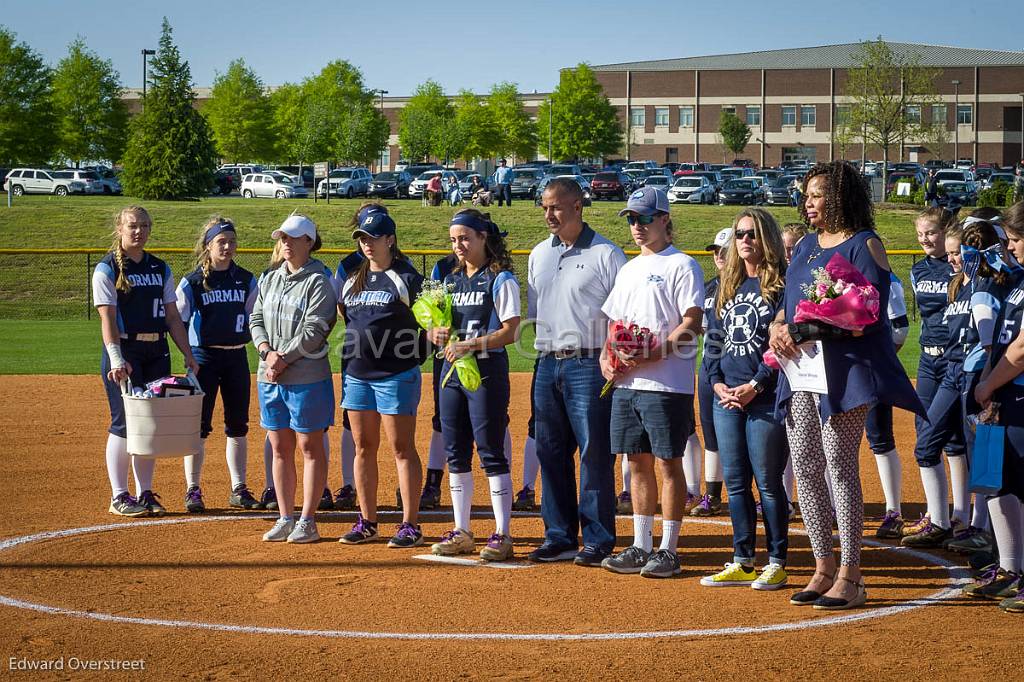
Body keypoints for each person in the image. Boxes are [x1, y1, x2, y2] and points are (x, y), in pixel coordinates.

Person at [769, 161, 923, 610]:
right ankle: (821, 566)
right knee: (806, 465)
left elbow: (866, 315)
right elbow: (789, 303)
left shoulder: (865, 244)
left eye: (817, 194)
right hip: (801, 374)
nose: (808, 202)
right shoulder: (804, 248)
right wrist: (782, 325)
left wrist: (809, 330)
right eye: (807, 194)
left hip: (847, 373)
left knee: (838, 463)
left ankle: (852, 574)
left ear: (839, 196)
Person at [599, 187, 704, 579]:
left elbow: (691, 323)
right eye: (631, 219)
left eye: (644, 218)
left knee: (667, 462)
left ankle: (669, 549)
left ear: (664, 219)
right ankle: (641, 545)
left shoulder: (682, 264)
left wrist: (652, 353)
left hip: (667, 384)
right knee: (635, 462)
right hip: (628, 384)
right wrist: (605, 358)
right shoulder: (628, 269)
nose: (636, 226)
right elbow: (614, 324)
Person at [528, 177, 627, 566]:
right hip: (546, 360)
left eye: (556, 206)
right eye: (545, 207)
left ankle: (599, 538)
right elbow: (535, 313)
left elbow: (622, 314)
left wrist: (612, 355)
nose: (549, 214)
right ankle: (559, 535)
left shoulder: (606, 253)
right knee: (549, 450)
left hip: (590, 362)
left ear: (577, 207)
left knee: (593, 451)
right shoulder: (538, 254)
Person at [905, 220, 1014, 550]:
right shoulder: (956, 286)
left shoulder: (992, 284)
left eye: (960, 252)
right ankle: (943, 521)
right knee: (928, 442)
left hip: (980, 375)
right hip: (953, 374)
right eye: (952, 253)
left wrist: (987, 379)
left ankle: (981, 530)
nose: (954, 258)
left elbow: (994, 340)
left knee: (983, 454)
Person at [700, 208, 788, 590]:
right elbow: (713, 344)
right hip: (728, 398)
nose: (745, 240)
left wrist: (756, 384)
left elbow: (786, 349)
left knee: (768, 483)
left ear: (766, 237)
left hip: (765, 397)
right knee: (735, 483)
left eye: (752, 233)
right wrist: (717, 384)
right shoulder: (727, 286)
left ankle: (778, 560)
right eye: (739, 234)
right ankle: (743, 559)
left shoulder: (782, 286)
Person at [94, 206, 199, 517]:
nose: (138, 231)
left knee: (151, 424)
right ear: (120, 228)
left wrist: (188, 353)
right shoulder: (108, 268)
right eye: (132, 226)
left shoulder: (159, 267)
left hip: (157, 352)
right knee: (124, 424)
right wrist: (116, 358)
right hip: (125, 352)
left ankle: (145, 492)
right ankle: (119, 495)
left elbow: (172, 316)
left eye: (143, 226)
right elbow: (108, 318)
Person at [429, 210, 521, 561]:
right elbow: (434, 321)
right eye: (454, 239)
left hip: (484, 372)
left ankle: (502, 533)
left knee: (490, 450)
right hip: (451, 374)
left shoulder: (500, 278)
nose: (458, 245)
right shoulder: (448, 277)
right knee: (455, 451)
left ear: (484, 237)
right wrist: (432, 332)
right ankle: (462, 530)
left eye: (465, 237)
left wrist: (470, 344)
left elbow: (511, 331)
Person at [337, 205, 427, 548]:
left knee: (401, 448)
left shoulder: (407, 278)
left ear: (390, 239)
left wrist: (414, 355)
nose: (367, 245)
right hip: (358, 376)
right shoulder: (352, 278)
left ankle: (409, 524)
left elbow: (431, 323)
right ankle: (367, 520)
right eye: (362, 239)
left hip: (395, 375)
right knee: (363, 447)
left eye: (374, 238)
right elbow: (349, 320)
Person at [251, 214, 337, 543]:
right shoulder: (271, 278)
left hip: (306, 376)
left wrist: (283, 357)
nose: (286, 243)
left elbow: (315, 329)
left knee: (309, 446)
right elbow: (256, 317)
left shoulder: (319, 280)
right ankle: (285, 516)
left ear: (309, 242)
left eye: (293, 237)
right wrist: (266, 352)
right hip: (269, 374)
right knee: (279, 446)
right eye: (282, 237)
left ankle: (308, 520)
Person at [174, 216, 260, 513]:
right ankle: (193, 489)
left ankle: (238, 488)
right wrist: (188, 356)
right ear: (208, 245)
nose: (227, 246)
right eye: (221, 241)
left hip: (237, 356)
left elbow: (256, 318)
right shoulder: (193, 281)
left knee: (238, 425)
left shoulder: (247, 279)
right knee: (198, 427)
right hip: (204, 358)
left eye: (231, 241)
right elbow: (178, 322)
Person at [971, 200, 1024, 610]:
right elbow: (1002, 342)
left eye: (1018, 239)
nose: (1011, 247)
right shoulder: (1017, 280)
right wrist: (989, 385)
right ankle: (1011, 569)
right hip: (1003, 392)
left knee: (1019, 482)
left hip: (1016, 390)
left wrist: (988, 385)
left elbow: (1022, 350)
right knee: (998, 480)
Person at [688, 227, 731, 519]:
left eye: (724, 251)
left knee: (742, 435)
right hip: (709, 366)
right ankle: (712, 496)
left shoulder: (750, 285)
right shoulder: (709, 287)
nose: (718, 256)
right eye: (716, 251)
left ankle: (757, 494)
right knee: (711, 431)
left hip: (737, 368)